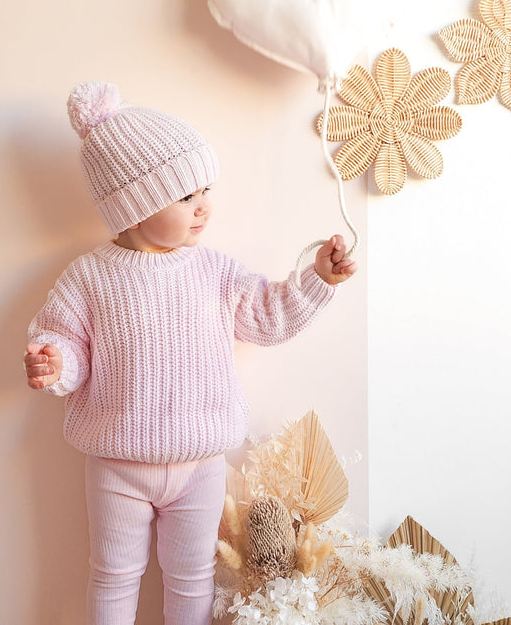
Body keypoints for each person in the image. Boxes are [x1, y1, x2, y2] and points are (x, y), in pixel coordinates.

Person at [23, 81, 357, 625]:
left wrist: (317, 277)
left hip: (199, 463)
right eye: (185, 197)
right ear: (135, 207)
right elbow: (68, 345)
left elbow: (268, 316)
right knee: (111, 576)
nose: (204, 209)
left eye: (204, 192)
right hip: (117, 465)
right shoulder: (89, 277)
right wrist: (56, 363)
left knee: (192, 580)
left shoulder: (214, 271)